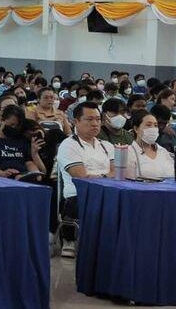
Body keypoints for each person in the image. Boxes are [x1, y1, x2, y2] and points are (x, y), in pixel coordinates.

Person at [57, 102, 114, 258]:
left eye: (98, 119)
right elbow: (82, 177)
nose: (95, 123)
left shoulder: (107, 146)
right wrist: (106, 175)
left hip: (107, 192)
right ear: (76, 121)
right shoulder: (68, 145)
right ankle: (69, 239)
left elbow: (117, 173)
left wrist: (98, 176)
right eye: (89, 119)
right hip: (79, 196)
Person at [0, 105, 45, 180]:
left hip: (21, 178)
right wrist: (2, 173)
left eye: (17, 126)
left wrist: (34, 173)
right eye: (11, 125)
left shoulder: (21, 139)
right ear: (2, 120)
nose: (14, 128)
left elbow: (28, 162)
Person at [126, 109, 174, 179]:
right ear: (136, 129)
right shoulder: (128, 152)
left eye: (155, 125)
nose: (153, 128)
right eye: (148, 125)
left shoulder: (163, 151)